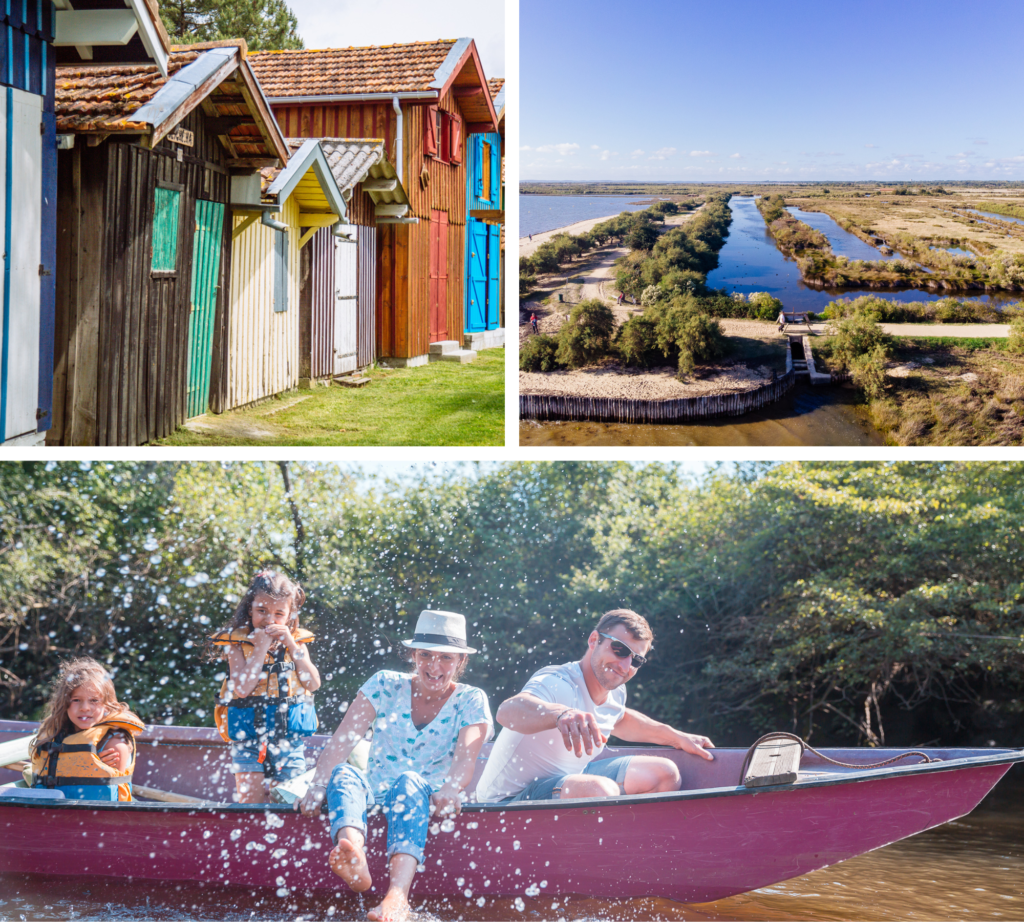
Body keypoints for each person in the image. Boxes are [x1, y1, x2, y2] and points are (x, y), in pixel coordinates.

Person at [296, 610, 492, 922]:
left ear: (460, 662)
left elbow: (466, 759)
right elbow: (342, 740)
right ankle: (355, 856)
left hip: (423, 799)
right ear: (413, 655)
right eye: (425, 655)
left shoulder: (471, 699)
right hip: (373, 798)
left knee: (408, 780)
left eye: (445, 658)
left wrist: (451, 789)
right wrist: (317, 786)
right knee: (343, 773)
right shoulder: (385, 683)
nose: (434, 666)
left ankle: (397, 896)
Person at [476, 609, 714, 804]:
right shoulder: (557, 682)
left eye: (636, 660)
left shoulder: (616, 692)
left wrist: (676, 737)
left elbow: (620, 719)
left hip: (569, 781)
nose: (625, 665)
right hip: (506, 802)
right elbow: (507, 711)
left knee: (665, 773)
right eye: (620, 649)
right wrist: (561, 715)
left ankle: (637, 852)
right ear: (593, 640)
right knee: (600, 790)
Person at [208, 569, 321, 803]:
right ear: (250, 609)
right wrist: (260, 647)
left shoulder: (297, 642)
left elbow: (314, 683)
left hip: (288, 740)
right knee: (250, 805)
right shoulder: (237, 644)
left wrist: (289, 643)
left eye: (279, 613)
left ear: (290, 616)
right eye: (262, 611)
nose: (270, 620)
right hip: (248, 740)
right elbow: (242, 688)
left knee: (289, 803)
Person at [29, 656, 145, 801]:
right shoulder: (54, 732)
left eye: (94, 700)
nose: (85, 708)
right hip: (52, 814)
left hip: (99, 818)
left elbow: (112, 786)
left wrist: (97, 765)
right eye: (76, 700)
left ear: (106, 704)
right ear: (64, 703)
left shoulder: (114, 744)